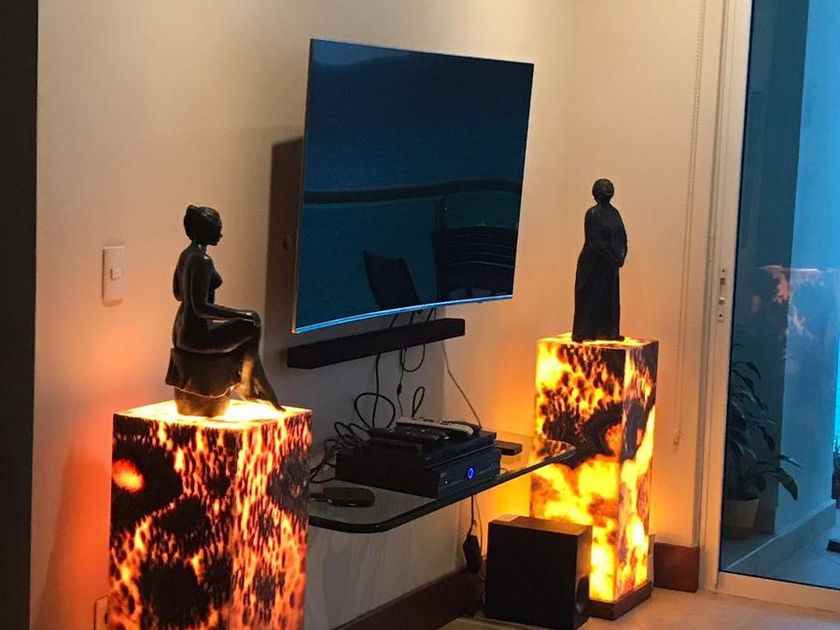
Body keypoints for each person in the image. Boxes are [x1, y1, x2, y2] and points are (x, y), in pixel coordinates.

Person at [166, 205, 281, 414]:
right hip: (197, 337)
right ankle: (246, 384)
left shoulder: (186, 255)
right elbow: (200, 308)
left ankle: (249, 379)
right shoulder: (203, 261)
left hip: (181, 332)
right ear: (205, 230)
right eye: (217, 229)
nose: (221, 234)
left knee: (244, 329)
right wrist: (242, 314)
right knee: (251, 325)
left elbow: (178, 294)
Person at [572, 179, 627, 342]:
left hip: (610, 265)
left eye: (609, 186)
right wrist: (613, 257)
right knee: (589, 297)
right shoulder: (593, 213)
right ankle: (583, 332)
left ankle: (609, 331)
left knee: (609, 298)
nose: (608, 188)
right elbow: (595, 241)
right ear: (596, 192)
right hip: (593, 264)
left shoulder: (615, 213)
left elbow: (623, 238)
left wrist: (621, 256)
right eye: (604, 187)